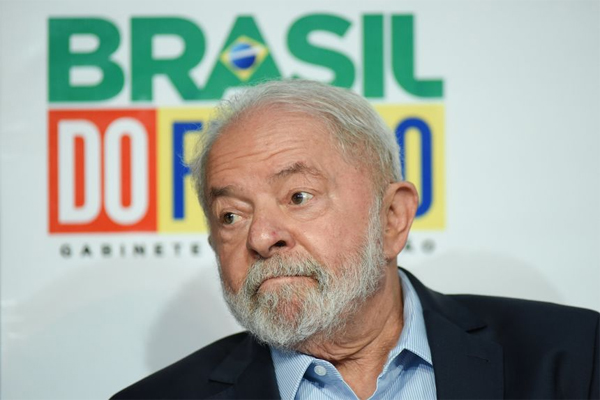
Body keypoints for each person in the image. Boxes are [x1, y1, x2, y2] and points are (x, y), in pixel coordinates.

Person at [112, 80, 599, 400]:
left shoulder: (573, 359)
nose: (261, 236)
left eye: (298, 196)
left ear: (392, 217)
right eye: (231, 215)